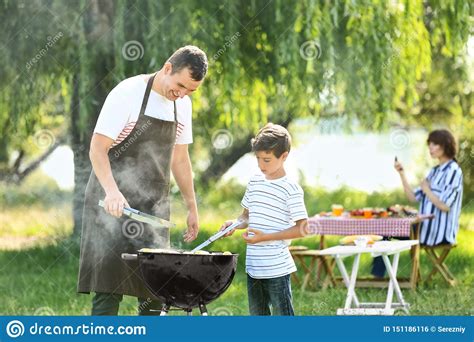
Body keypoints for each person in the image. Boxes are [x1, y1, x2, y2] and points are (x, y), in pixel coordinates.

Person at [77, 45, 208, 315]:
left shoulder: (182, 105)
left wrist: (192, 206)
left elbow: (180, 159)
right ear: (168, 67)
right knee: (108, 290)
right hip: (111, 201)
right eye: (180, 85)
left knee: (156, 292)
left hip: (153, 208)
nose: (182, 94)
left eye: (190, 91)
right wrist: (112, 192)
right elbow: (97, 149)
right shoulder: (127, 94)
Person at [219, 123, 309, 315]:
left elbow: (302, 229)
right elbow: (246, 217)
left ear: (283, 156)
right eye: (258, 159)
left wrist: (264, 237)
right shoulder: (254, 182)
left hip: (277, 268)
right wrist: (233, 224)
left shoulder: (290, 189)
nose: (261, 165)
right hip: (254, 267)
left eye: (267, 160)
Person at [372, 129, 464, 278]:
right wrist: (401, 173)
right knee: (384, 228)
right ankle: (379, 277)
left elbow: (445, 206)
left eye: (435, 144)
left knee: (386, 230)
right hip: (424, 227)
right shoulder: (434, 171)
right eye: (430, 144)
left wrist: (427, 189)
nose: (431, 148)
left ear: (445, 146)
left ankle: (379, 278)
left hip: (438, 232)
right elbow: (413, 198)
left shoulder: (453, 171)